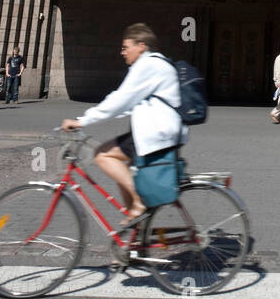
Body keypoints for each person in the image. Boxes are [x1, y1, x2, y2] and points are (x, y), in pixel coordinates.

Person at [60, 23, 187, 226]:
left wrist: (82, 120)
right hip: (161, 132)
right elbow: (128, 102)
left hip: (157, 133)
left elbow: (121, 99)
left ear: (141, 46)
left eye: (125, 47)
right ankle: (134, 241)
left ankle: (138, 202)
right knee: (123, 172)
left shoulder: (147, 65)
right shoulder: (157, 64)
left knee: (103, 155)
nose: (122, 52)